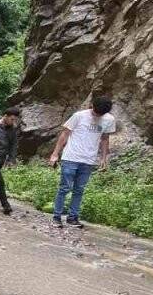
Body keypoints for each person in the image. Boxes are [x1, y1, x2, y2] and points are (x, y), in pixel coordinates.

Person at [47, 96, 117, 228]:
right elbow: (65, 134)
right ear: (92, 106)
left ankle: (72, 217)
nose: (97, 116)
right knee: (64, 188)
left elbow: (105, 139)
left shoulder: (109, 119)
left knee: (79, 189)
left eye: (100, 115)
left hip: (88, 160)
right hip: (71, 157)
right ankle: (57, 217)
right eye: (96, 113)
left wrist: (103, 158)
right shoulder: (79, 116)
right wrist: (55, 154)